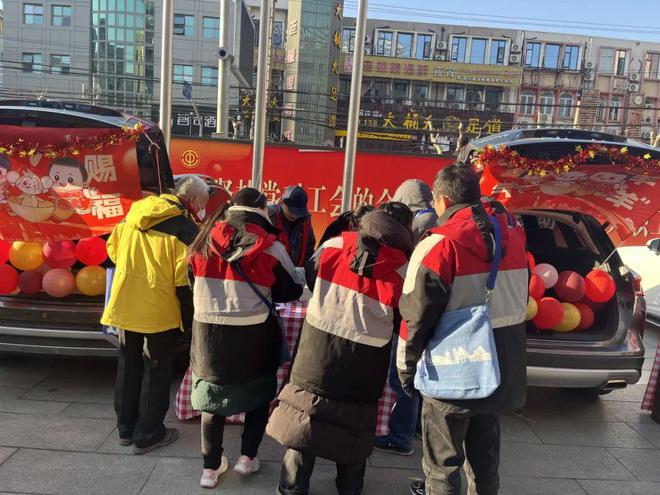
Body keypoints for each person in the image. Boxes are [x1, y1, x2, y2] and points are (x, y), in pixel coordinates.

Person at [397, 166, 529, 495]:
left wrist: (406, 370)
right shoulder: (513, 236)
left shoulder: (438, 245)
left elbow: (414, 318)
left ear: (442, 200)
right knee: (485, 462)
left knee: (442, 469)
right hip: (499, 369)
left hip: (452, 371)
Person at [267, 207, 414, 495]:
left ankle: (291, 487)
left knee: (304, 421)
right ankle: (349, 488)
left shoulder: (332, 247)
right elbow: (404, 320)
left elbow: (311, 279)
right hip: (365, 364)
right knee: (354, 431)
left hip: (316, 352)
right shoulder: (403, 271)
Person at [188, 187, 304, 489]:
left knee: (211, 398)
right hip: (255, 336)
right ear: (263, 210)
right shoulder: (270, 246)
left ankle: (209, 469)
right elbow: (291, 289)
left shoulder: (203, 239)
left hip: (208, 335)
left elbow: (190, 281)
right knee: (258, 395)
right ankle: (247, 458)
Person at [101, 175, 209, 454]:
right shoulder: (185, 229)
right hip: (160, 311)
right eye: (204, 203)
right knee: (157, 371)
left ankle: (125, 429)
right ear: (193, 200)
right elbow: (184, 282)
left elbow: (112, 251)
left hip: (125, 304)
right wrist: (190, 322)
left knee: (128, 366)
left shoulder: (134, 213)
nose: (203, 209)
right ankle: (149, 434)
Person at [375, 189, 433, 456]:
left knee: (403, 381)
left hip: (404, 325)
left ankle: (400, 438)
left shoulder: (400, 254)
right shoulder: (416, 247)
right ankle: (415, 428)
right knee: (412, 380)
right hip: (415, 323)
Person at [269, 185, 316, 267]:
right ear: (282, 203)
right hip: (272, 271)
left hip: (298, 271)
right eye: (292, 211)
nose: (295, 216)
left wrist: (305, 271)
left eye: (299, 212)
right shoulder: (269, 217)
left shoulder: (305, 220)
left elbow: (309, 249)